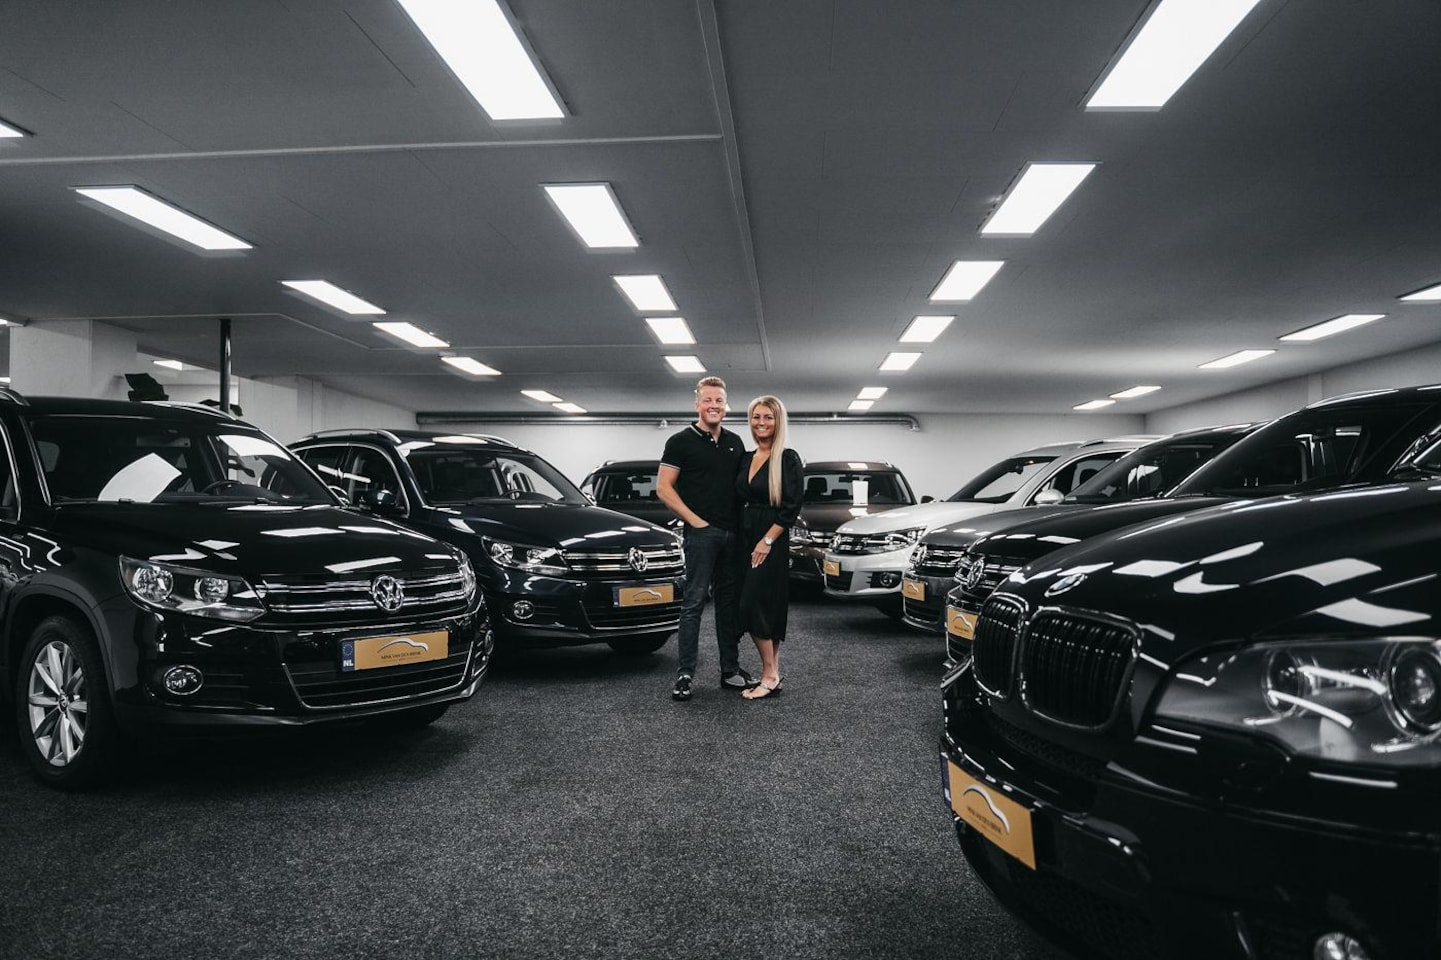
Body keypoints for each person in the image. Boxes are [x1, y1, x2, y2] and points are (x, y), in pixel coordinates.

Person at [657, 376, 757, 701]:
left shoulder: (735, 442)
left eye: (719, 401)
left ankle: (730, 670)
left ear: (726, 406)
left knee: (728, 605)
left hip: (732, 535)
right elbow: (664, 488)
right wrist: (696, 523)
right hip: (702, 535)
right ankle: (685, 674)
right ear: (697, 404)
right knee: (694, 603)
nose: (714, 406)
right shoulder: (680, 442)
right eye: (708, 400)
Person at [735, 395, 803, 700]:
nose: (761, 423)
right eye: (756, 417)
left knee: (754, 604)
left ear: (778, 422)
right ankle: (772, 673)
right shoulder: (746, 457)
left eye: (768, 417)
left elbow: (791, 508)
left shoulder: (787, 459)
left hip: (769, 538)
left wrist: (767, 541)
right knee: (762, 605)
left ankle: (770, 674)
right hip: (745, 535)